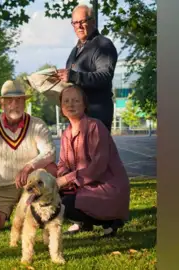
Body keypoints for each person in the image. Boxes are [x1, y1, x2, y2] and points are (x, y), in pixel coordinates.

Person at [0, 80, 57, 233]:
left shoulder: (37, 124)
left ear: (24, 102)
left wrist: (28, 167)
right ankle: (6, 210)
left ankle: (50, 205)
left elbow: (50, 152)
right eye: (9, 100)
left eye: (19, 100)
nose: (15, 104)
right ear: (2, 104)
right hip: (2, 187)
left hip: (30, 184)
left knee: (52, 168)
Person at [55, 85, 130, 237]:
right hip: (84, 186)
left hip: (107, 186)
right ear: (62, 108)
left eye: (76, 100)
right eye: (66, 101)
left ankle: (110, 222)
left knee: (65, 204)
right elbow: (62, 163)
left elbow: (98, 166)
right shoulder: (66, 134)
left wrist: (67, 179)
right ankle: (84, 223)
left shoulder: (95, 126)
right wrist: (61, 178)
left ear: (84, 104)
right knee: (54, 195)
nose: (70, 104)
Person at [56, 4, 118, 132]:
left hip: (96, 118)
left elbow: (105, 76)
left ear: (93, 22)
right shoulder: (76, 50)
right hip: (77, 118)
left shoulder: (103, 45)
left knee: (96, 152)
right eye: (74, 23)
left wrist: (73, 76)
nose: (78, 26)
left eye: (82, 21)